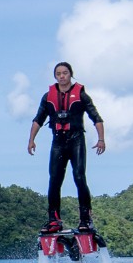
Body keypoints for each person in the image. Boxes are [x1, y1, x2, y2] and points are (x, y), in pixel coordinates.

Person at [26, 61, 106, 234]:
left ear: (71, 74)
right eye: (58, 74)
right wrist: (31, 140)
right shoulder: (48, 96)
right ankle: (54, 220)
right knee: (54, 180)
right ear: (55, 76)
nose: (62, 76)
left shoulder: (82, 95)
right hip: (58, 142)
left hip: (76, 140)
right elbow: (38, 119)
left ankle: (86, 218)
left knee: (78, 176)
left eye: (65, 73)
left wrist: (101, 139)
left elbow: (96, 118)